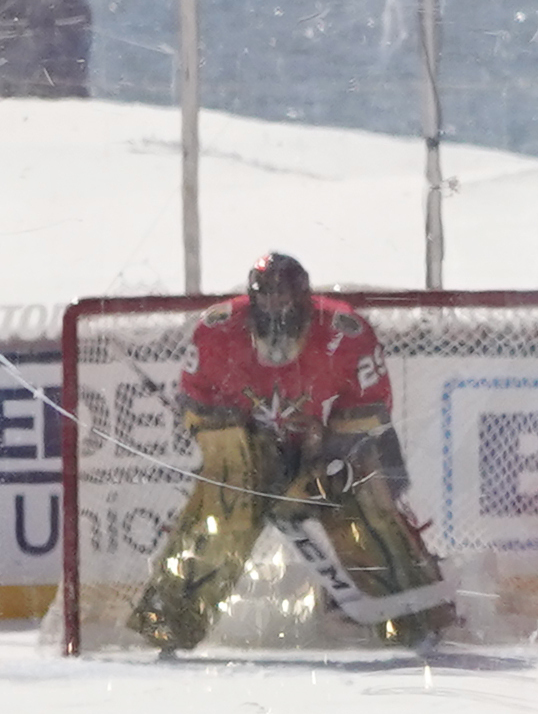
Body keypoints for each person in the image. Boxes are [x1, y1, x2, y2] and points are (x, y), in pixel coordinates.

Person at [132, 253, 455, 653]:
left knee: (363, 504)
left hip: (329, 453)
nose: (275, 305)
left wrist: (327, 454)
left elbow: (369, 411)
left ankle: (417, 618)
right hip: (255, 457)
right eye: (265, 295)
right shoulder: (218, 332)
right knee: (224, 499)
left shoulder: (344, 333)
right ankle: (170, 621)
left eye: (283, 294)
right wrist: (240, 449)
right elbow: (198, 409)